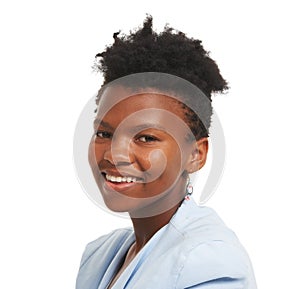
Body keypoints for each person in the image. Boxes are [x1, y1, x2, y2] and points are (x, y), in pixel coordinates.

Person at [75, 16, 257, 289]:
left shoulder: (210, 262)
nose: (114, 154)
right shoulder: (99, 256)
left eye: (146, 137)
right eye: (104, 133)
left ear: (196, 154)